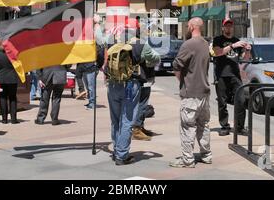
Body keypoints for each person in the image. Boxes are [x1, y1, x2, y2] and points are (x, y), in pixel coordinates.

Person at [105, 25, 160, 166]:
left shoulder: (113, 43)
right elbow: (155, 58)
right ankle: (122, 156)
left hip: (112, 85)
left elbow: (102, 60)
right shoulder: (140, 44)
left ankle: (117, 150)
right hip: (130, 85)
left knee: (115, 120)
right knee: (127, 120)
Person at [170, 18, 212, 169]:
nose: (187, 27)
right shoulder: (205, 43)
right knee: (204, 125)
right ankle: (206, 155)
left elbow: (176, 65)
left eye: (188, 25)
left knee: (188, 127)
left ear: (193, 26)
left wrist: (182, 81)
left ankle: (187, 159)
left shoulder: (188, 44)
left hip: (191, 93)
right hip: (204, 92)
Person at [213, 18, 251, 136]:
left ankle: (239, 127)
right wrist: (233, 45)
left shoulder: (237, 41)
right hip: (221, 75)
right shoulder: (218, 40)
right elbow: (218, 52)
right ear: (223, 28)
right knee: (222, 102)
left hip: (235, 75)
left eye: (230, 26)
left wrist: (248, 50)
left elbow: (245, 59)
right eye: (226, 26)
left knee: (241, 100)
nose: (228, 28)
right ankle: (224, 126)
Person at [0, 38, 20, 124]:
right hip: (12, 79)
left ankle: (4, 119)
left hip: (1, 79)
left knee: (2, 98)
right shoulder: (14, 53)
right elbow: (19, 65)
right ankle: (14, 119)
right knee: (12, 98)